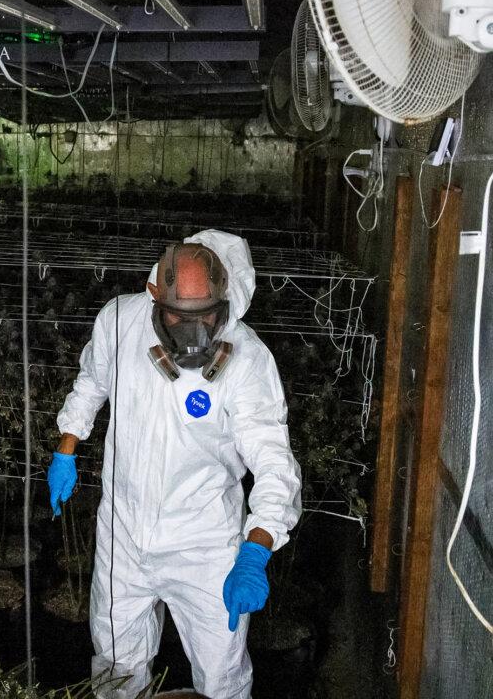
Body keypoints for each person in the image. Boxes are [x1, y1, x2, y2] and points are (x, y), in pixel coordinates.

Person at [50, 230, 302, 699]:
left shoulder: (246, 361)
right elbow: (91, 383)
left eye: (206, 315)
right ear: (153, 296)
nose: (195, 330)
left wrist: (256, 548)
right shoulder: (120, 322)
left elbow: (274, 462)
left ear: (223, 299)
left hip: (204, 547)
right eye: (180, 316)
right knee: (115, 664)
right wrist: (66, 447)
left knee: (221, 675)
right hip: (122, 534)